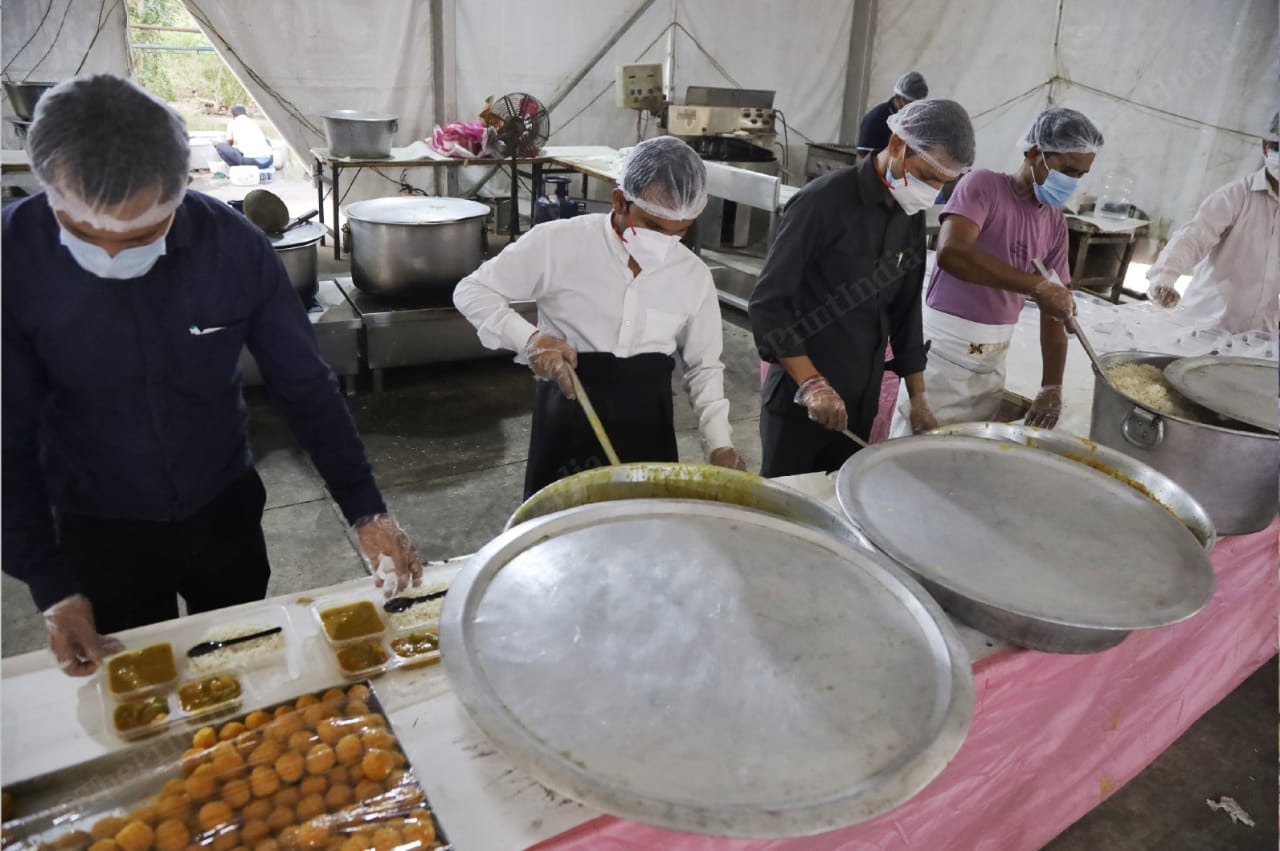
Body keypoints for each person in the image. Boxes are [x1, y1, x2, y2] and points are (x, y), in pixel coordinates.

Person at [2, 75, 422, 677]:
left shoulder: (232, 247)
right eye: (87, 235)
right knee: (138, 684)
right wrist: (51, 585)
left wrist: (366, 509)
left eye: (143, 234)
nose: (116, 255)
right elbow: (5, 436)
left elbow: (305, 387)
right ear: (49, 194)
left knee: (242, 668)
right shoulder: (11, 261)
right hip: (96, 522)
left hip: (220, 505)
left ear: (180, 192)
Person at [454, 136, 746, 498]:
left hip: (647, 428)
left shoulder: (693, 275)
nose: (666, 243)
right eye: (654, 227)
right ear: (620, 201)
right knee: (560, 532)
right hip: (568, 419)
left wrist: (720, 444)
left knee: (645, 532)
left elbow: (703, 365)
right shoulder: (558, 243)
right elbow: (471, 290)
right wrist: (529, 340)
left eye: (680, 232)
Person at [750, 99, 976, 477]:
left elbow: (906, 311)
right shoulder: (821, 203)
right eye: (928, 176)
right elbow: (768, 304)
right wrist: (812, 384)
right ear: (898, 145)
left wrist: (917, 397)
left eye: (943, 184)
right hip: (801, 401)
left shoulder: (910, 217)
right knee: (788, 506)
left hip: (859, 403)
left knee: (841, 502)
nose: (933, 191)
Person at [888, 107, 1104, 436]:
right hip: (945, 349)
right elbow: (952, 253)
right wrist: (1036, 286)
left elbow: (1053, 312)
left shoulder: (1054, 222)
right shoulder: (984, 187)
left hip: (993, 356)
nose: (1072, 182)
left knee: (967, 451)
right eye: (1067, 170)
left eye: (1080, 175)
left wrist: (1052, 385)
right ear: (1035, 153)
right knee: (914, 446)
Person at [1146, 111, 1279, 333]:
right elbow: (1192, 238)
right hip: (1205, 327)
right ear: (1266, 147)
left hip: (1260, 337)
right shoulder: (1236, 196)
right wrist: (1165, 278)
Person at [857, 71, 929, 155]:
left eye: (918, 104)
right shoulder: (875, 119)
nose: (915, 109)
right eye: (911, 103)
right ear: (898, 98)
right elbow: (862, 161)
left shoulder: (916, 120)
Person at [216, 104, 273, 168]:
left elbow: (229, 144)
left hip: (252, 162)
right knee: (266, 140)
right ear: (245, 114)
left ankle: (236, 168)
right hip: (268, 161)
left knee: (219, 146)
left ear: (232, 115)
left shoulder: (232, 122)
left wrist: (218, 144)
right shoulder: (253, 123)